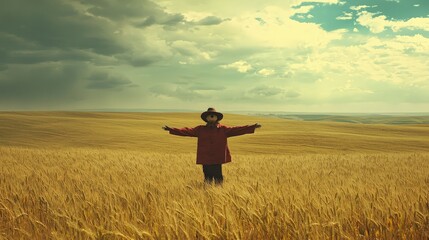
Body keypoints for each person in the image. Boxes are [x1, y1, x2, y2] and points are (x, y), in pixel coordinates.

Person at [162, 107, 261, 185]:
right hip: (205, 157)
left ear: (217, 118)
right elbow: (186, 131)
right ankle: (207, 194)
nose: (212, 117)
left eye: (213, 116)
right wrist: (171, 129)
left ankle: (219, 193)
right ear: (206, 118)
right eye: (210, 116)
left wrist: (252, 127)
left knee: (218, 177)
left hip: (217, 157)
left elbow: (238, 129)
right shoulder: (200, 129)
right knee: (207, 177)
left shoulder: (223, 129)